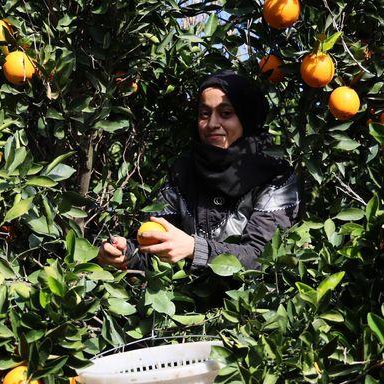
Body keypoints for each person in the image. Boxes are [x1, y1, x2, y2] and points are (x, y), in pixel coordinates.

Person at [97, 69, 299, 272]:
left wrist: (196, 249)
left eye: (226, 113)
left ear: (246, 117)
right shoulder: (183, 173)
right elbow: (158, 247)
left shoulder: (276, 176)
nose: (212, 124)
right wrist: (125, 253)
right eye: (204, 114)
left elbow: (262, 258)